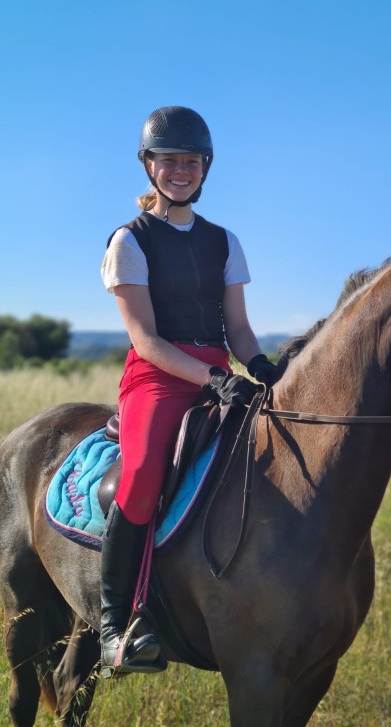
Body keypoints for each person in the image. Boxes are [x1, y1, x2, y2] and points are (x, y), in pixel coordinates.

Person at [100, 105, 280, 677]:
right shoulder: (130, 241)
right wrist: (216, 379)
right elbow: (147, 340)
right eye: (169, 160)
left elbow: (239, 328)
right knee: (145, 471)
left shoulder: (224, 242)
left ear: (207, 168)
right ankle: (115, 625)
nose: (181, 171)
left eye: (191, 161)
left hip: (220, 375)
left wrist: (261, 369)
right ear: (149, 166)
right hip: (158, 377)